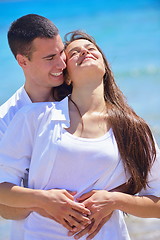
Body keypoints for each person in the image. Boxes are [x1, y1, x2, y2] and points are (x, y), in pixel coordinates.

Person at [0, 30, 159, 240]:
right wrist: (43, 200)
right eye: (75, 53)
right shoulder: (34, 117)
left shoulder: (133, 129)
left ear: (104, 67)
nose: (85, 52)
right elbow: (3, 189)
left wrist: (115, 201)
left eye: (91, 49)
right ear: (66, 76)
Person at [0, 15, 92, 240]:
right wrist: (45, 202)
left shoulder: (81, 94)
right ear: (23, 61)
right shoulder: (6, 120)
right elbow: (4, 207)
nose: (61, 64)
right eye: (50, 57)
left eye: (61, 52)